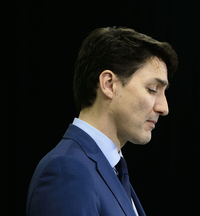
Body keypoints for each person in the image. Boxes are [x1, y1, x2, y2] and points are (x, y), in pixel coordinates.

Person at [26, 26, 178, 216]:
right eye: (153, 89)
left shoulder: (111, 171)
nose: (164, 108)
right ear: (108, 84)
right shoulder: (66, 171)